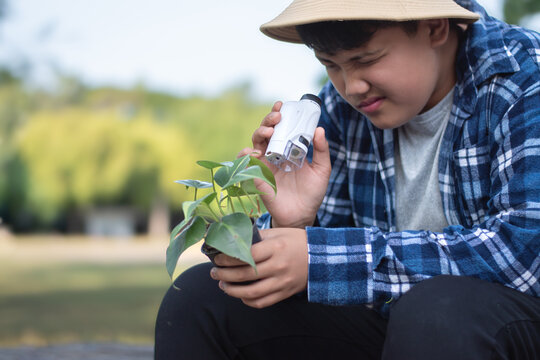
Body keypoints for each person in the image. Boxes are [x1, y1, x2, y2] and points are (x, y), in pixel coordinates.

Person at [155, 0, 540, 358]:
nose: (351, 86)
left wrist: (317, 258)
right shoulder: (341, 108)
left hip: (502, 323)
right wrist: (296, 222)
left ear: (435, 27)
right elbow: (322, 267)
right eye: (331, 64)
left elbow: (521, 255)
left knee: (438, 309)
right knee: (199, 298)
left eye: (366, 59)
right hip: (399, 325)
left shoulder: (523, 75)